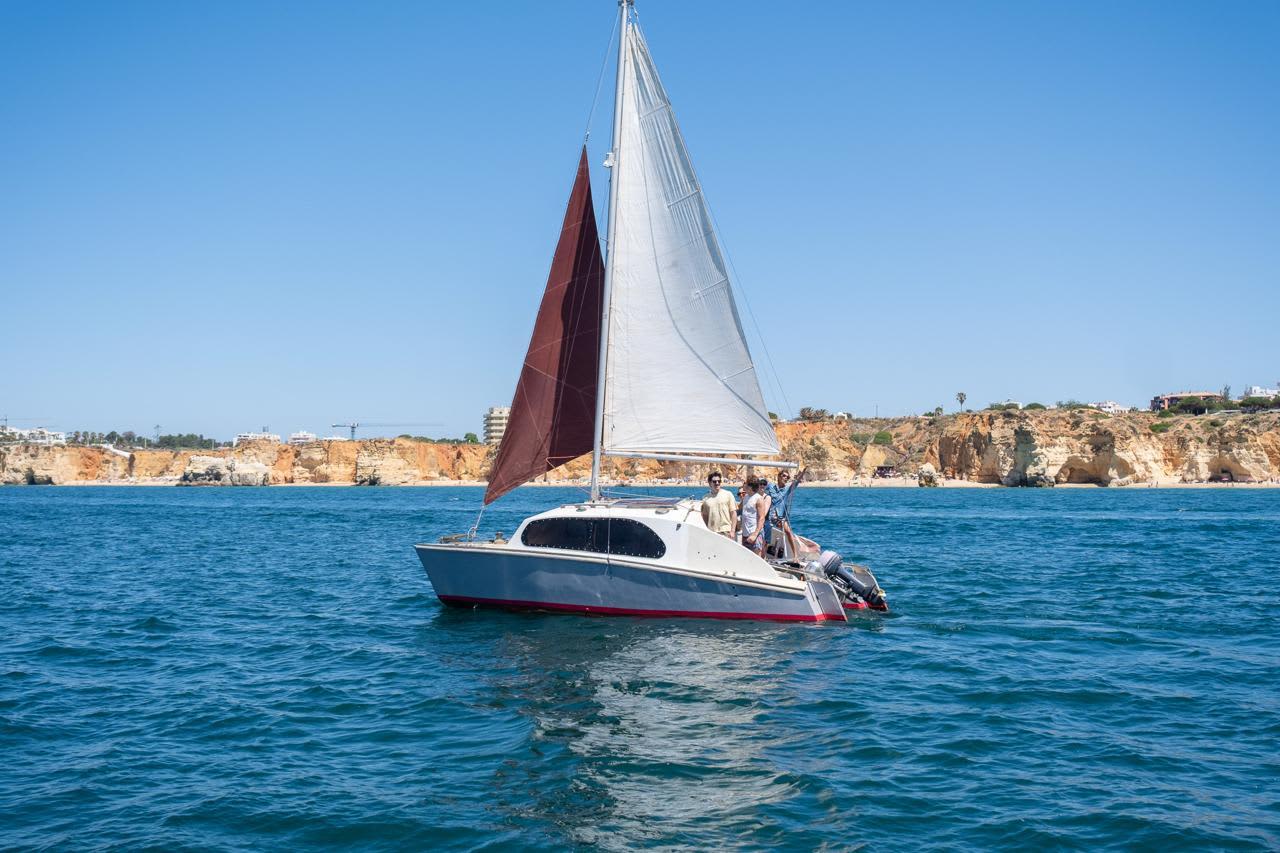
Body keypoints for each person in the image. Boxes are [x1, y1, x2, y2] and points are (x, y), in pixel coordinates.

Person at [700, 471, 736, 538]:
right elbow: (705, 516)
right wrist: (707, 529)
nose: (717, 483)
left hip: (726, 531)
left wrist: (733, 531)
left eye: (719, 481)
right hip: (712, 532)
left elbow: (733, 513)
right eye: (714, 481)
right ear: (710, 483)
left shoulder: (728, 494)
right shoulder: (705, 498)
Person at [739, 476, 767, 555]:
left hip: (755, 534)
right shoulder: (746, 497)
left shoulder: (759, 499)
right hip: (745, 533)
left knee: (756, 557)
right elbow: (739, 509)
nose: (744, 485)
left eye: (745, 483)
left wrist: (755, 534)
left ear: (750, 486)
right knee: (746, 556)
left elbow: (762, 518)